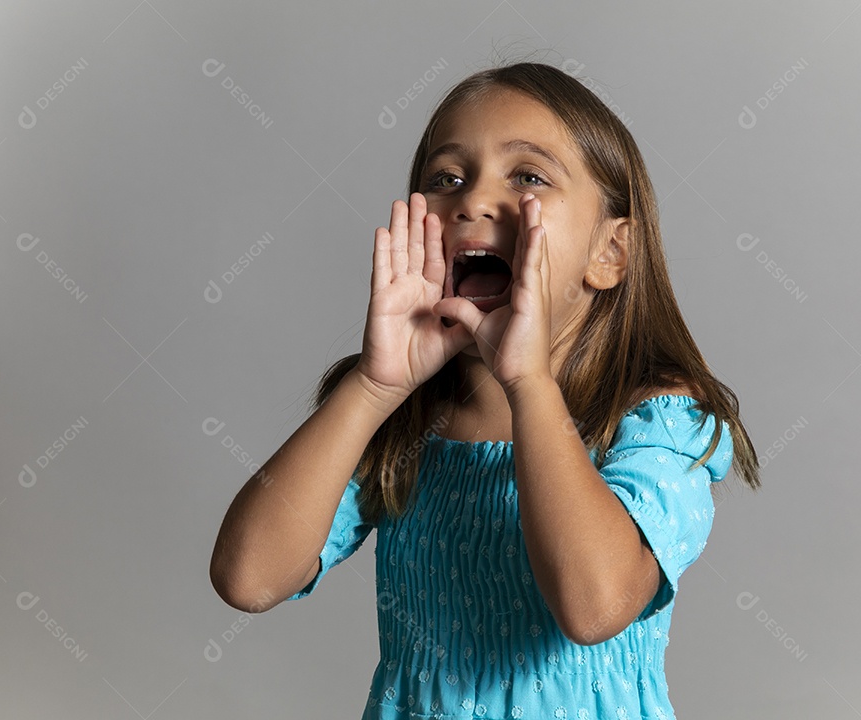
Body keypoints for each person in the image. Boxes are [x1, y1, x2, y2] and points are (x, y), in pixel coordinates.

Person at [211, 60, 761, 720]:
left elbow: (594, 605)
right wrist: (373, 388)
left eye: (528, 176)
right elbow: (249, 578)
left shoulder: (664, 420)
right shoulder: (403, 418)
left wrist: (528, 384)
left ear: (610, 252)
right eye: (446, 178)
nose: (471, 201)